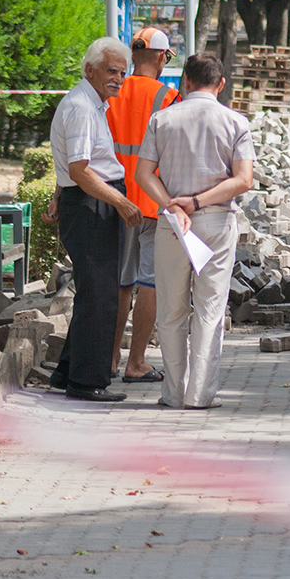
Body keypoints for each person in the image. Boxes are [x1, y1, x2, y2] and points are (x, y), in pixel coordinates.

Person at [134, 53, 255, 410]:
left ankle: (172, 393)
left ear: (184, 81)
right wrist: (197, 202)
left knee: (171, 309)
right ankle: (200, 395)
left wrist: (172, 204)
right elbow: (243, 179)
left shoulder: (162, 119)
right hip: (215, 221)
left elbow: (144, 174)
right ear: (221, 84)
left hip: (172, 225)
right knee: (210, 308)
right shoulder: (236, 123)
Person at [47, 37, 143, 402]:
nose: (119, 78)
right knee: (101, 295)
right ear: (90, 70)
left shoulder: (90, 103)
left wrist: (58, 195)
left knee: (95, 290)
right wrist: (121, 201)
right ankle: (87, 381)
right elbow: (81, 170)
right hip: (92, 204)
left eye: (123, 72)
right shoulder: (83, 108)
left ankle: (69, 370)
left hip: (87, 201)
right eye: (111, 71)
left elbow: (71, 168)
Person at [105, 27, 180, 383]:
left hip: (115, 199)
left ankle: (109, 360)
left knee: (120, 282)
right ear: (163, 57)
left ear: (133, 56)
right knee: (149, 281)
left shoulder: (111, 92)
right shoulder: (169, 97)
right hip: (152, 201)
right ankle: (137, 363)